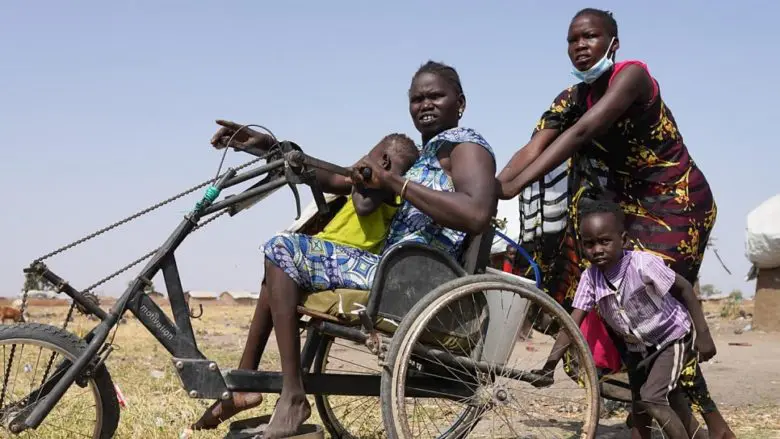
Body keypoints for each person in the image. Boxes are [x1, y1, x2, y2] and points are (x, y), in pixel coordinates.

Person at [192, 60, 497, 438]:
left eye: (436, 95)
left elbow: (477, 213)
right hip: (394, 270)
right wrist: (269, 147)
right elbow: (341, 179)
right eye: (417, 99)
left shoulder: (467, 148)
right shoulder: (423, 159)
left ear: (460, 103)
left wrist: (396, 183)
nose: (426, 104)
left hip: (419, 279)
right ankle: (248, 385)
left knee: (282, 249)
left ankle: (292, 397)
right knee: (280, 264)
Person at [497, 7, 734, 438]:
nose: (581, 46)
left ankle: (705, 423)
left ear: (613, 42)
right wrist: (496, 188)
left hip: (676, 202)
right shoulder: (569, 98)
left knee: (662, 317)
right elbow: (535, 145)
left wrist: (513, 187)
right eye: (573, 40)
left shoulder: (632, 76)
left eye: (590, 37)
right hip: (624, 211)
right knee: (620, 312)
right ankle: (654, 415)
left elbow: (584, 132)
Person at [535, 200, 715, 439]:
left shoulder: (643, 265)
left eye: (604, 241)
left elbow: (683, 290)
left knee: (652, 398)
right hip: (637, 348)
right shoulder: (590, 279)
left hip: (671, 338)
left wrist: (703, 334)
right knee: (641, 406)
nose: (597, 249)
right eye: (589, 244)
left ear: (624, 240)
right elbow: (571, 324)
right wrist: (550, 365)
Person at [313, 133, 419, 254]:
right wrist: (303, 163)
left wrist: (356, 182)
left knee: (287, 245)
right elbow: (332, 179)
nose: (363, 161)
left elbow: (363, 207)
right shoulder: (369, 187)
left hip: (341, 251)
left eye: (369, 156)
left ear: (384, 161)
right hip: (334, 247)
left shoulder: (385, 189)